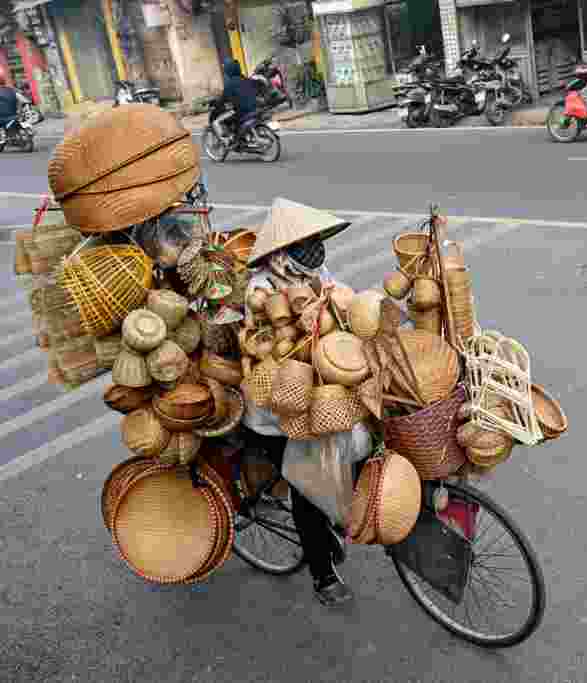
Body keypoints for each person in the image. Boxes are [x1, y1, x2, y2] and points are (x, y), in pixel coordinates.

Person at [242, 198, 360, 608]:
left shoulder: (317, 272)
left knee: (354, 448)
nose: (311, 248)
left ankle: (334, 516)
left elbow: (340, 307)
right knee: (307, 487)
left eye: (313, 240)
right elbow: (266, 347)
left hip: (318, 392)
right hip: (276, 407)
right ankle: (322, 575)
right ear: (280, 249)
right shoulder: (261, 287)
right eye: (302, 242)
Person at [213, 59, 260, 142]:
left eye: (225, 70)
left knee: (216, 122)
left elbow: (223, 99)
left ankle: (227, 141)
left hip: (241, 111)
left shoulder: (230, 84)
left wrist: (217, 104)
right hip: (254, 107)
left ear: (228, 71)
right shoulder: (245, 79)